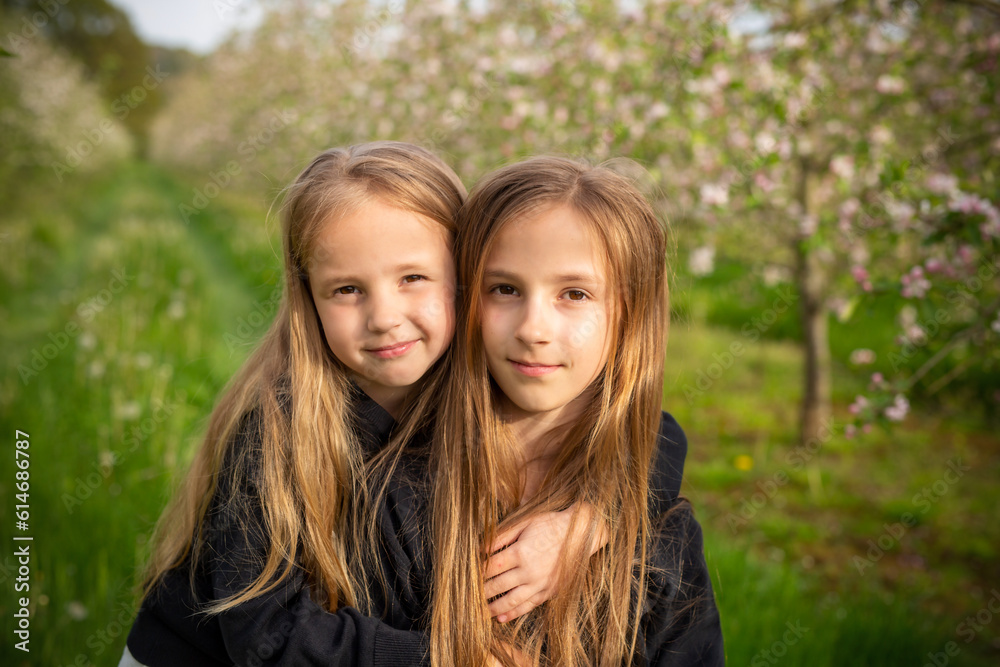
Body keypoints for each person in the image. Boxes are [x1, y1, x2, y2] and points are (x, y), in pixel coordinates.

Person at [120, 142, 648, 667]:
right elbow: (265, 636)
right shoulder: (279, 429)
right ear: (309, 297)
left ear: (466, 275)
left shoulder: (480, 377)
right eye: (348, 289)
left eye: (413, 278)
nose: (384, 318)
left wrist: (589, 521)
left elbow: (651, 435)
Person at [367, 156, 723, 666]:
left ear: (629, 314)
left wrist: (598, 516)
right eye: (504, 289)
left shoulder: (660, 540)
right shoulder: (394, 486)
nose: (534, 329)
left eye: (574, 294)